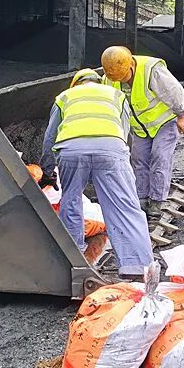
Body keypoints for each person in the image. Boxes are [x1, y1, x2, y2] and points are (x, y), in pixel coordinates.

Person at [40, 68, 154, 280]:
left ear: (75, 84)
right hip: (111, 150)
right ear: (100, 82)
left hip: (71, 151)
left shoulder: (65, 97)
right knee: (125, 206)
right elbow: (124, 132)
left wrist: (47, 170)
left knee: (71, 201)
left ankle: (74, 259)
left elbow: (50, 137)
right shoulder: (116, 96)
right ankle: (137, 267)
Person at [100, 46, 184, 220]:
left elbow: (174, 90)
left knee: (160, 156)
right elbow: (110, 103)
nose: (122, 80)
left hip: (165, 122)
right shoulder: (109, 77)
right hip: (141, 128)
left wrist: (182, 115)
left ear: (131, 66)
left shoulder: (150, 69)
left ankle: (156, 201)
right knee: (138, 159)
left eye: (124, 76)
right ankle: (141, 198)